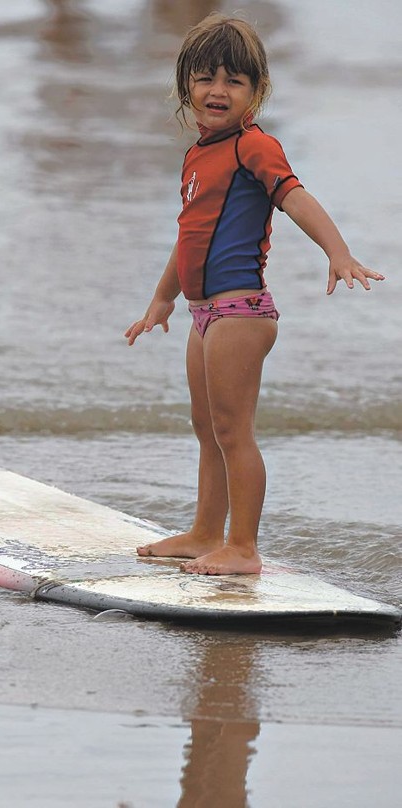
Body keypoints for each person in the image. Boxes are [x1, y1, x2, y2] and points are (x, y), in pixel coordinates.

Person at [124, 14, 384, 575]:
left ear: (257, 91)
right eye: (205, 78)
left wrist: (337, 252)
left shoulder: (253, 146)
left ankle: (243, 546)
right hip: (204, 314)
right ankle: (204, 533)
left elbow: (295, 196)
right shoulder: (198, 154)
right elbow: (189, 235)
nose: (217, 90)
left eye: (234, 81)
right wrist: (163, 299)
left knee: (232, 432)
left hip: (240, 312)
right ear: (185, 85)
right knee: (207, 430)